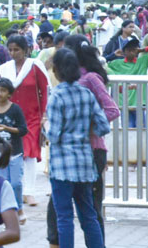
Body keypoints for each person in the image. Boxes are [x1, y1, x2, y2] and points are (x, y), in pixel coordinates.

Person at [45, 48, 109, 248]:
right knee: (89, 215)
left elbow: (54, 135)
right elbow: (103, 126)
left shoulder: (56, 96)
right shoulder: (86, 94)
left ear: (56, 70)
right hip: (84, 163)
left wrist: (45, 126)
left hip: (62, 165)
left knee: (64, 217)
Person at [0, 34, 49, 208]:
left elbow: (44, 90)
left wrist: (44, 114)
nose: (13, 53)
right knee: (12, 152)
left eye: (17, 49)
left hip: (32, 116)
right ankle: (13, 189)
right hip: (9, 117)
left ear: (26, 50)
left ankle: (28, 192)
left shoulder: (35, 66)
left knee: (29, 152)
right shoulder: (3, 69)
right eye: (10, 49)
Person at [0, 77, 28, 223]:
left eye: (3, 90)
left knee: (16, 183)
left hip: (15, 152)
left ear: (9, 93)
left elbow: (23, 130)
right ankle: (8, 215)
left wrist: (6, 128)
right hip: (0, 155)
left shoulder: (15, 109)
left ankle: (20, 209)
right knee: (3, 184)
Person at [106, 34, 148, 126]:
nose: (131, 52)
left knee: (142, 129)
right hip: (123, 102)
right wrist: (113, 55)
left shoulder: (142, 61)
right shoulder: (116, 63)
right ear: (124, 52)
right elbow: (101, 63)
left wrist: (142, 50)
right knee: (128, 129)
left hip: (139, 101)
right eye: (128, 49)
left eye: (134, 49)